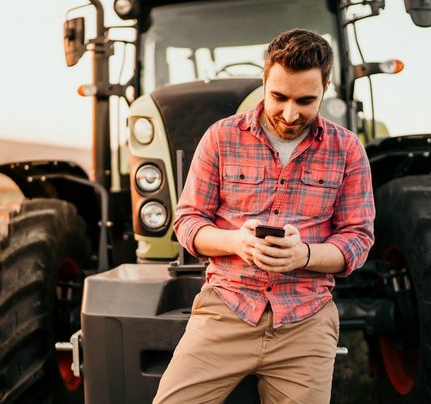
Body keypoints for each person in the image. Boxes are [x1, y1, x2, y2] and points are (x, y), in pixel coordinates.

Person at [153, 28, 375, 404]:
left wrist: (302, 255)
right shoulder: (220, 137)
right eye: (279, 97)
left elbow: (357, 239)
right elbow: (188, 222)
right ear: (265, 79)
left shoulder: (348, 149)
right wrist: (236, 241)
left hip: (305, 319)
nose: (290, 114)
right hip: (226, 309)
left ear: (326, 88)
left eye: (306, 100)